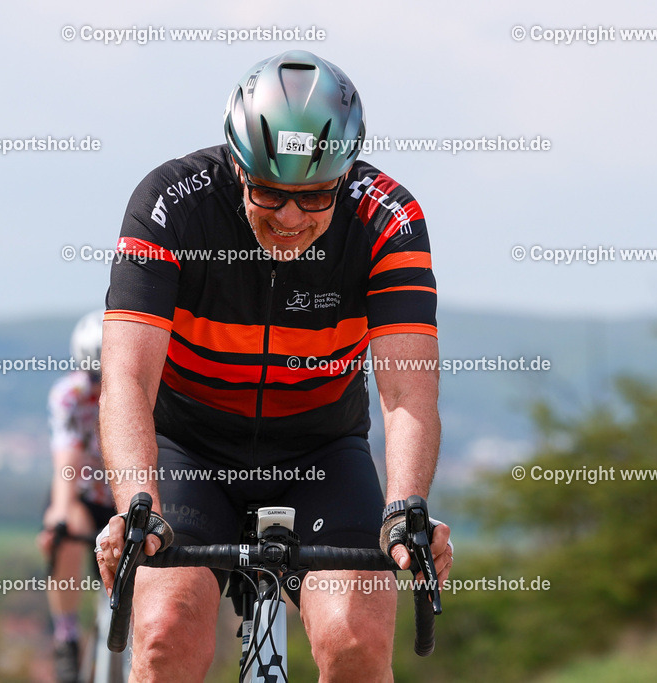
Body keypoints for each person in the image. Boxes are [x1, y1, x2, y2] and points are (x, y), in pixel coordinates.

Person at [95, 50, 453, 682]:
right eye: (269, 192)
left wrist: (406, 506)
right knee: (164, 631)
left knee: (355, 639)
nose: (290, 218)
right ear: (236, 164)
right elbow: (126, 377)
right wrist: (137, 501)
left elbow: (406, 391)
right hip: (191, 448)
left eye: (315, 197)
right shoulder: (170, 205)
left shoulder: (387, 219)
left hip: (321, 450)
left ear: (345, 175)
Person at [37, 310, 115, 683]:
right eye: (93, 376)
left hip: (126, 498)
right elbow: (66, 461)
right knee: (66, 535)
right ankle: (67, 638)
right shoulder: (70, 395)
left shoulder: (149, 386)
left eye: (106, 376)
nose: (99, 385)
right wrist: (60, 516)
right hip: (84, 495)